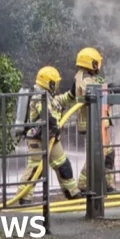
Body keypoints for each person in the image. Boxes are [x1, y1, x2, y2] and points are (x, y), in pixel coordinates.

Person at [17, 66, 83, 205]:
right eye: (55, 83)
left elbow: (64, 99)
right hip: (37, 140)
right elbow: (46, 115)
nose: (57, 86)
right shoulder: (38, 97)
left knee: (63, 165)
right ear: (49, 83)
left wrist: (74, 88)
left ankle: (72, 192)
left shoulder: (49, 98)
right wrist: (55, 125)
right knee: (35, 169)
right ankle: (24, 197)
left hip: (52, 139)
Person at [72, 47, 117, 193]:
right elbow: (92, 91)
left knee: (107, 154)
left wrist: (111, 90)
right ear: (91, 63)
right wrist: (109, 88)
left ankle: (108, 185)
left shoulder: (85, 76)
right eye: (96, 62)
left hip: (98, 121)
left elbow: (98, 90)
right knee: (96, 155)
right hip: (93, 123)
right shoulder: (84, 79)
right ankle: (84, 185)